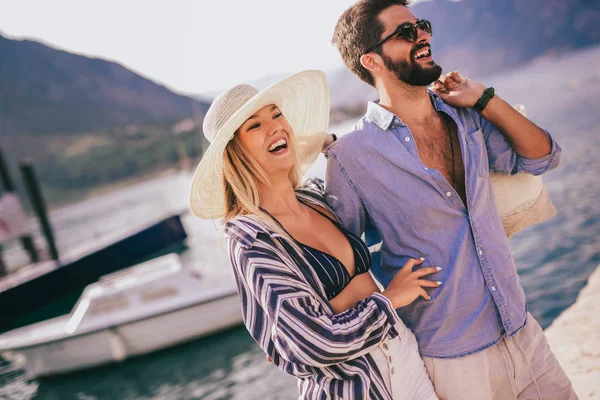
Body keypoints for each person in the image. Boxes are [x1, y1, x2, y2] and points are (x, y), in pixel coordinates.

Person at [328, 1, 576, 399]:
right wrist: (387, 297)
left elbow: (544, 156)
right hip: (451, 361)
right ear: (371, 59)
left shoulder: (465, 115)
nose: (423, 36)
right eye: (406, 33)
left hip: (520, 328)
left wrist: (482, 98)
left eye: (421, 26)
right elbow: (339, 260)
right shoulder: (350, 157)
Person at [190, 70, 439, 399]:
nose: (275, 126)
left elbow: (393, 203)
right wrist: (390, 299)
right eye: (254, 125)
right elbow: (313, 342)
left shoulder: (316, 197)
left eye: (277, 114)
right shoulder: (251, 238)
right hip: (352, 387)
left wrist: (335, 148)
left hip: (405, 357)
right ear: (236, 153)